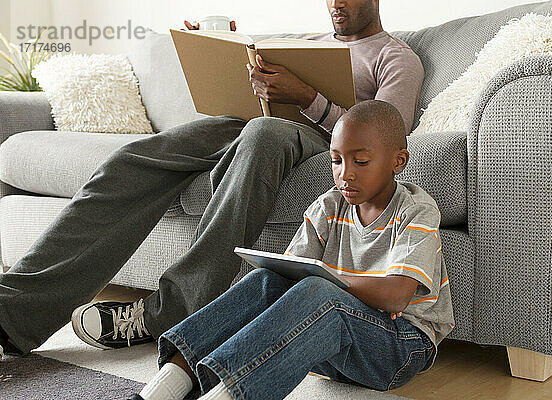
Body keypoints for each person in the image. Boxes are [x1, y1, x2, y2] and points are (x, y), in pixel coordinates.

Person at [0, 0, 425, 357]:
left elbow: (387, 136)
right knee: (133, 159)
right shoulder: (306, 43)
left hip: (313, 138)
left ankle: (172, 311)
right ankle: (15, 311)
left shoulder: (396, 57)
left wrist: (306, 98)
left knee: (263, 133)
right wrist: (226, 54)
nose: (336, 3)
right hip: (245, 123)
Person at [127, 100, 455, 400]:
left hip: (399, 347)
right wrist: (303, 280)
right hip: (324, 346)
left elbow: (396, 296)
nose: (346, 174)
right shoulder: (328, 205)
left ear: (398, 160)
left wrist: (329, 282)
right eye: (336, 161)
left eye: (362, 161)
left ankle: (227, 393)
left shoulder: (416, 210)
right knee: (266, 280)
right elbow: (288, 274)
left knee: (319, 290)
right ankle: (165, 387)